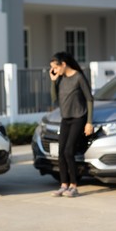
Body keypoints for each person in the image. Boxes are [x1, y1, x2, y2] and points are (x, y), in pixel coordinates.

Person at [49, 52, 94, 198]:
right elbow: (54, 98)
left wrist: (89, 122)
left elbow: (89, 99)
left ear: (63, 64)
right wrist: (53, 80)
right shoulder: (60, 79)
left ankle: (74, 186)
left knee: (69, 151)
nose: (54, 70)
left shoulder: (78, 77)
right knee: (61, 152)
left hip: (78, 118)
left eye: (55, 67)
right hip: (66, 119)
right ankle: (63, 185)